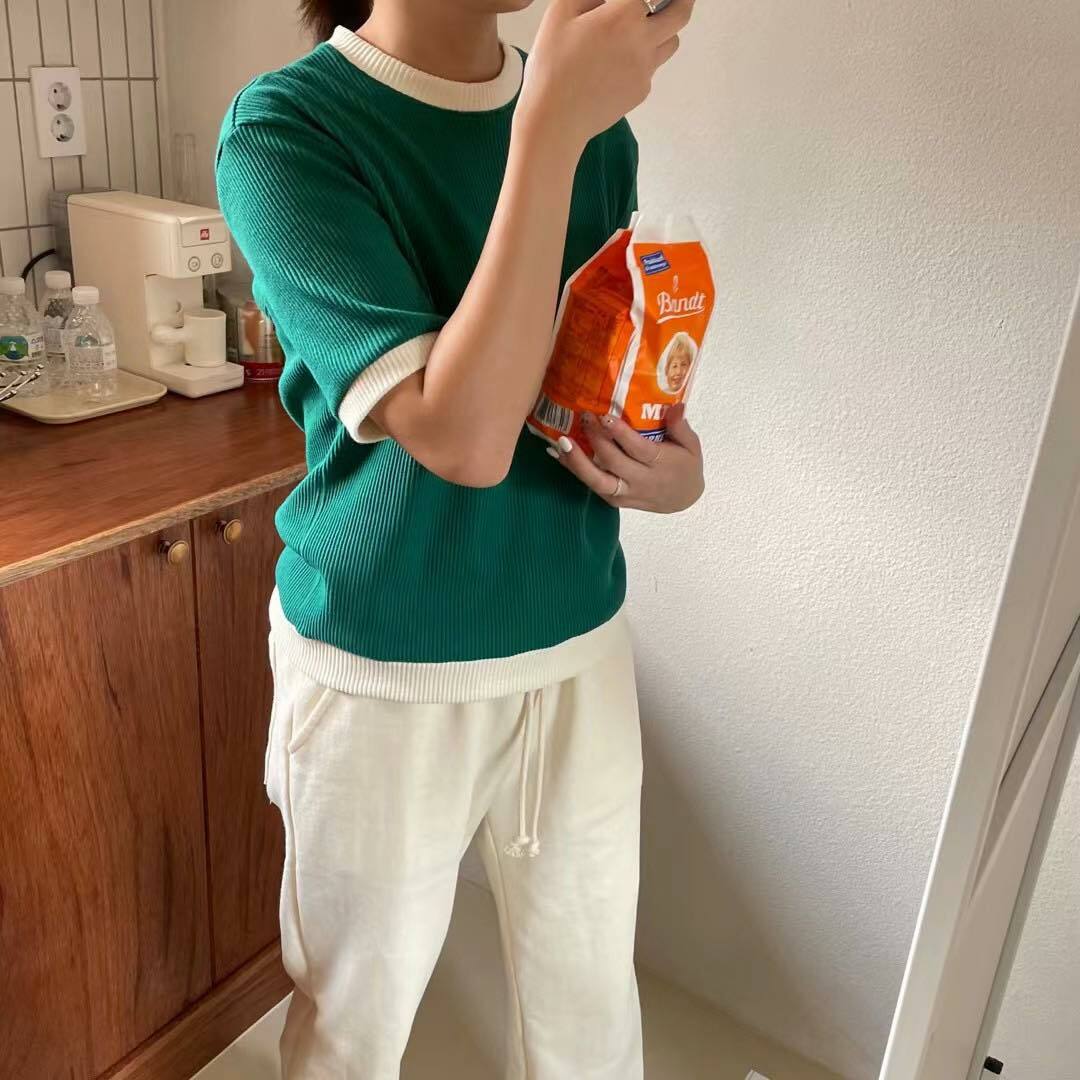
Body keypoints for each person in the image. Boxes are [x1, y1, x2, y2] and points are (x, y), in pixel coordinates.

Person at [216, 0, 700, 1076]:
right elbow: (463, 436)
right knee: (355, 1025)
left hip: (575, 638)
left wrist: (670, 469)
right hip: (383, 662)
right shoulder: (288, 130)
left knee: (590, 1020)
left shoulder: (596, 131)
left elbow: (580, 386)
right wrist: (549, 128)